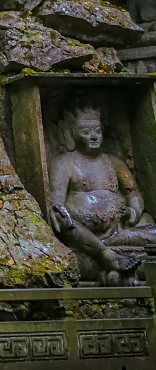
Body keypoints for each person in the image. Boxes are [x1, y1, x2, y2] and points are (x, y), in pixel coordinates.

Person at [49, 106, 156, 284]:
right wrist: (60, 210)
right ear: (71, 134)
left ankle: (117, 266)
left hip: (117, 233)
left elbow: (133, 193)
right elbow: (56, 201)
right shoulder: (64, 163)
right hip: (85, 237)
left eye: (97, 131)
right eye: (86, 131)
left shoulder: (113, 162)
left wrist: (134, 212)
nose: (93, 136)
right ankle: (107, 257)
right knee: (64, 222)